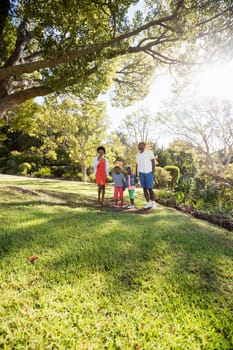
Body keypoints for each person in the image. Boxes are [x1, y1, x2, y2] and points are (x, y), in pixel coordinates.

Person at [136, 142, 156, 209]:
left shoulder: (149, 152)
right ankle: (148, 203)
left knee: (150, 188)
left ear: (144, 146)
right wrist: (137, 175)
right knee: (144, 188)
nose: (139, 146)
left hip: (148, 172)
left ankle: (153, 202)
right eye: (139, 145)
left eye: (141, 145)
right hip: (141, 173)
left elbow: (153, 162)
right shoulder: (137, 155)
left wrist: (152, 172)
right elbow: (137, 165)